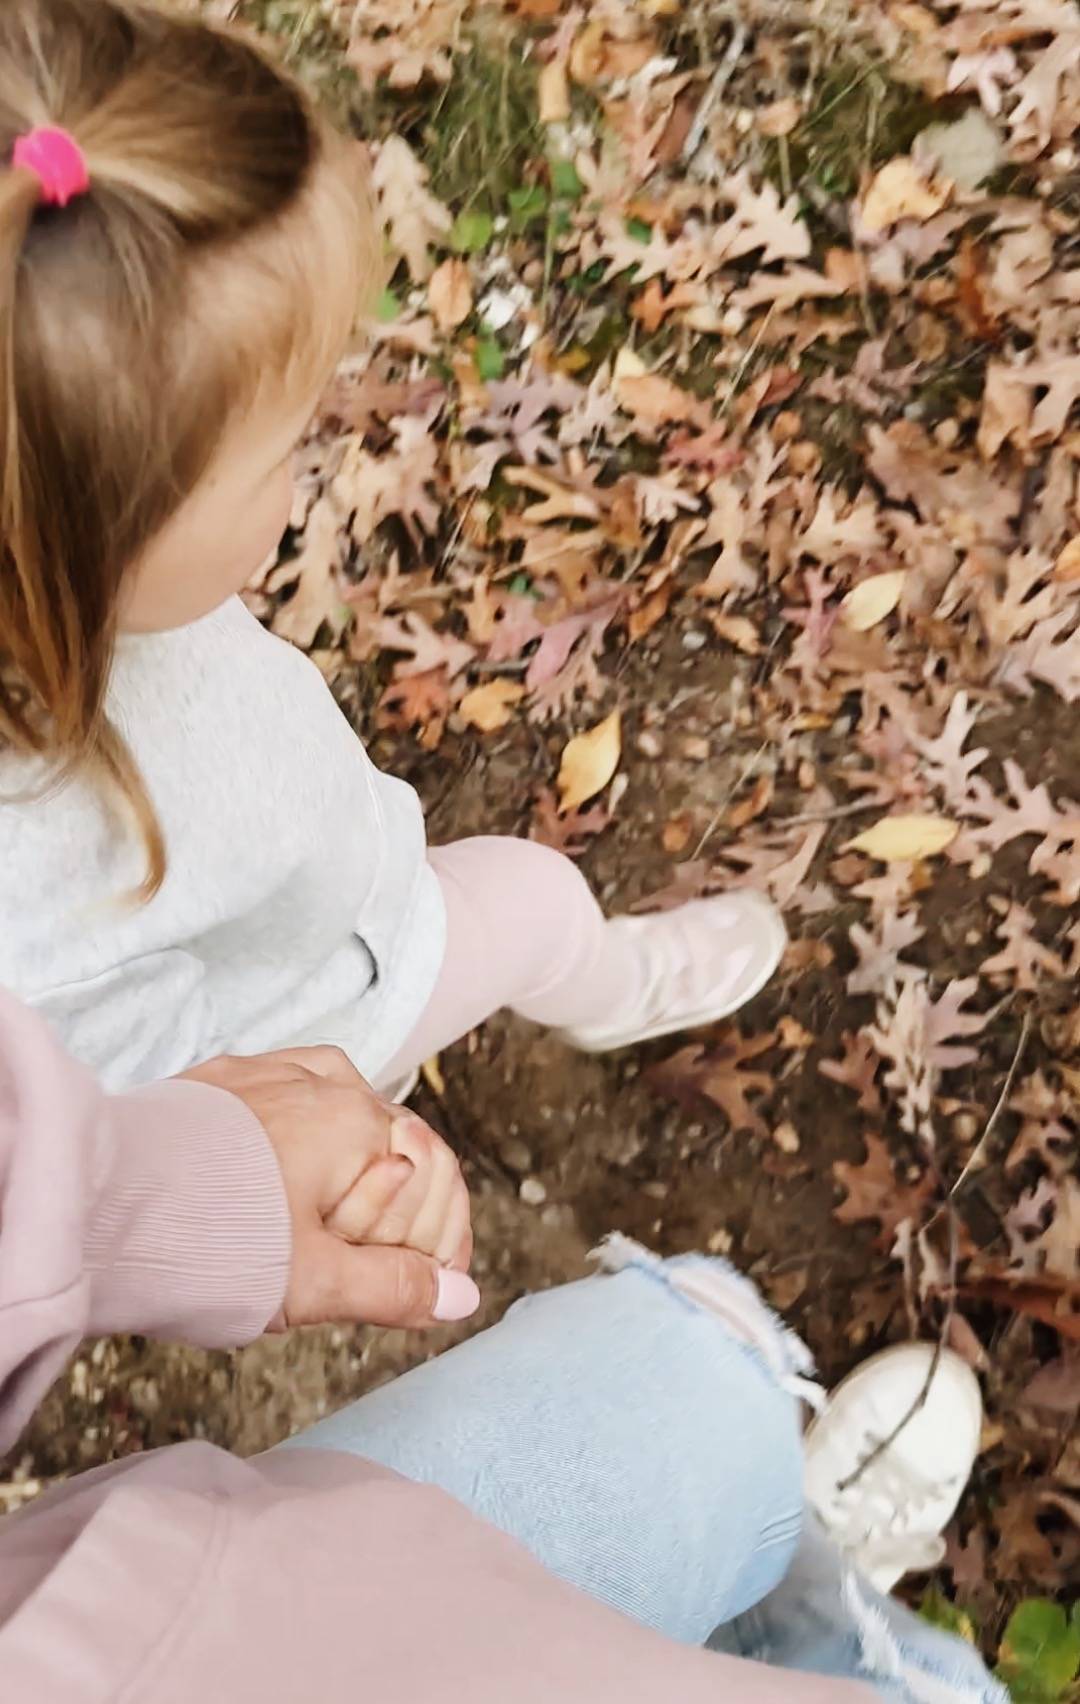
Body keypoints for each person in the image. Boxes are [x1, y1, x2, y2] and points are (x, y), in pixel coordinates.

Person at [0, 0, 785, 1100]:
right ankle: (622, 990)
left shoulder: (87, 587)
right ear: (79, 540)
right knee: (538, 903)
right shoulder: (34, 922)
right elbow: (156, 1135)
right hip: (325, 1033)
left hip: (325, 914)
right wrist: (341, 1144)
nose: (307, 472)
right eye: (281, 450)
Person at [0, 989, 1006, 1703]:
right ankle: (815, 1600)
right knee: (711, 1396)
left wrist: (137, 1193)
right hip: (268, 1627)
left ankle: (787, 1563)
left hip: (222, 1619)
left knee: (699, 1369)